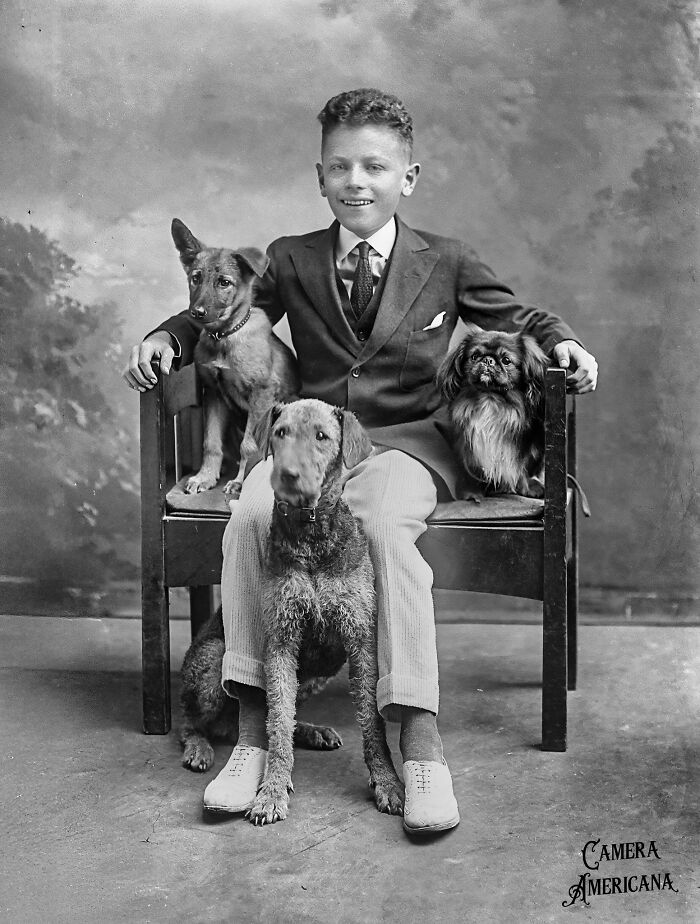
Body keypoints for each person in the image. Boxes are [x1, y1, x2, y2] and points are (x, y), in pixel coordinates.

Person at [123, 88, 598, 835]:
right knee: (248, 515)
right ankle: (250, 736)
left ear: (407, 177)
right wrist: (168, 339)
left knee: (380, 530)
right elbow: (226, 309)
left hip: (407, 444)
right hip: (311, 442)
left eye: (375, 166)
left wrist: (564, 341)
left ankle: (419, 739)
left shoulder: (447, 260)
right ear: (319, 177)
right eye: (339, 166)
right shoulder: (290, 258)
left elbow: (522, 317)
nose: (357, 181)